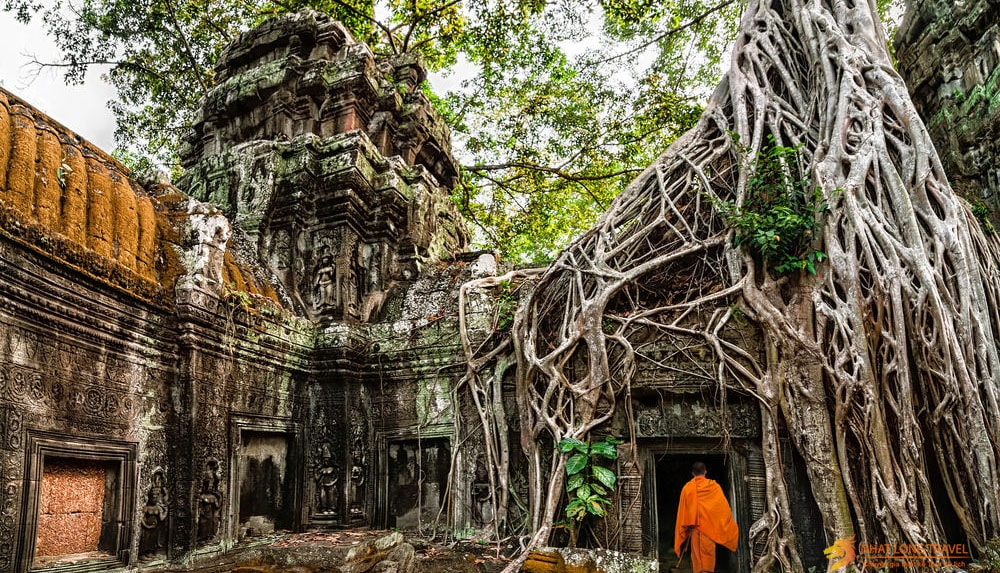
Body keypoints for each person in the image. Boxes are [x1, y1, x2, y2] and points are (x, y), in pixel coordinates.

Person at [675, 462, 739, 573]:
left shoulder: (687, 488)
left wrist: (687, 526)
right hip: (709, 529)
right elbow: (723, 509)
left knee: (697, 558)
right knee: (708, 555)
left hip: (694, 529)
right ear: (705, 472)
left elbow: (683, 511)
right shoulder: (714, 487)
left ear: (692, 473)